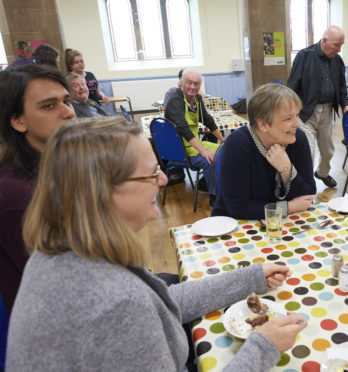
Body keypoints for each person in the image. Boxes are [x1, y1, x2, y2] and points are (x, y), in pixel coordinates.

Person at [6, 117, 307, 371]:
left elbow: (162, 299)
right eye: (151, 173)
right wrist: (263, 347)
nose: (163, 180)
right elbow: (136, 307)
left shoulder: (65, 250)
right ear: (102, 192)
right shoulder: (115, 304)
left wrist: (250, 277)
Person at [0, 65, 76, 315]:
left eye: (66, 101)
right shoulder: (16, 196)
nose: (68, 113)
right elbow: (65, 290)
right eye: (49, 106)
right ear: (17, 120)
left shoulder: (54, 167)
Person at [212, 83, 316, 220]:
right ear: (262, 124)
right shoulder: (237, 145)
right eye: (289, 118)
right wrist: (289, 207)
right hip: (235, 225)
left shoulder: (297, 138)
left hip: (282, 223)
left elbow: (308, 194)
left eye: (297, 115)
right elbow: (238, 208)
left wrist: (286, 170)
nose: (297, 123)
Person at [287, 25, 348, 188]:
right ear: (324, 41)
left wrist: (346, 106)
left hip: (327, 111)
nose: (339, 49)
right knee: (308, 152)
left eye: (342, 45)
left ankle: (322, 173)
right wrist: (290, 112)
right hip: (305, 112)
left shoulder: (337, 60)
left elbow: (342, 87)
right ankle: (306, 187)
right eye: (337, 44)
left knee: (328, 150)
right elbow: (291, 86)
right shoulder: (304, 56)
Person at [165, 70, 225, 203]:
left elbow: (208, 120)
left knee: (227, 151)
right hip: (181, 151)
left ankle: (211, 184)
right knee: (210, 159)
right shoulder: (176, 101)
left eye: (196, 84)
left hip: (195, 144)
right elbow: (183, 129)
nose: (192, 87)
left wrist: (223, 140)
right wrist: (203, 152)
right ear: (182, 83)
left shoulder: (197, 99)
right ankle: (215, 199)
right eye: (189, 83)